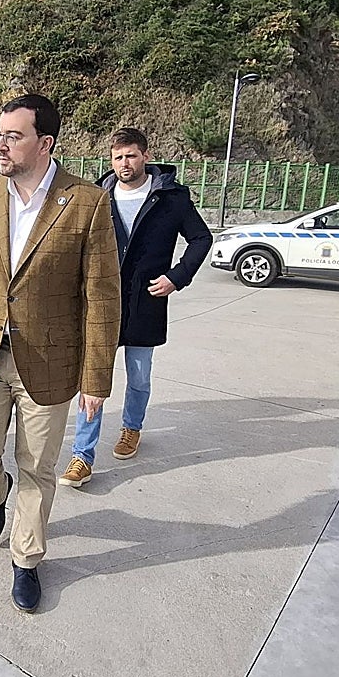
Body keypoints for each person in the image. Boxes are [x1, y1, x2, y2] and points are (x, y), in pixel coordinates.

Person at [0, 93, 121, 613]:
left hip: (51, 359)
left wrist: (96, 378)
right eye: (0, 134)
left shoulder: (86, 202)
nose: (1, 144)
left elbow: (102, 295)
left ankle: (27, 559)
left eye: (13, 136)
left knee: (39, 466)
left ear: (46, 144)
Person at [59, 128, 213, 488]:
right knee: (92, 377)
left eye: (130, 155)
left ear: (145, 155)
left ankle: (131, 428)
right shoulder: (98, 197)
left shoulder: (170, 198)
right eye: (117, 157)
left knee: (139, 376)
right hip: (101, 302)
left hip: (146, 301)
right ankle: (82, 455)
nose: (123, 163)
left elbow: (201, 238)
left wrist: (177, 276)